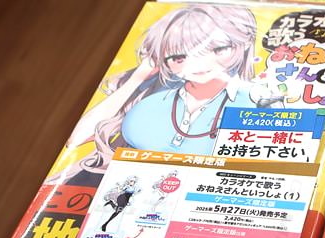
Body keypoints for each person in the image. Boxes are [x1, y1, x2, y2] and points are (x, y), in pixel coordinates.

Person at [62, 5, 262, 187]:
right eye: (179, 57)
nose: (198, 64)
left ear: (243, 44)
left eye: (218, 49)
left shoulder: (257, 100)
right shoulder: (155, 96)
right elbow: (76, 140)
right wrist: (137, 78)